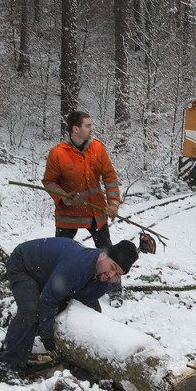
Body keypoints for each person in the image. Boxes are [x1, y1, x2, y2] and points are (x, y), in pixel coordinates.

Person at [0, 237, 139, 382]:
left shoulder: (104, 281)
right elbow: (48, 299)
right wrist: (47, 336)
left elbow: (80, 302)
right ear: (102, 255)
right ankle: (7, 366)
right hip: (24, 265)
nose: (111, 276)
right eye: (112, 267)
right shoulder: (77, 265)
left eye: (118, 274)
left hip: (53, 275)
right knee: (30, 311)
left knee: (92, 312)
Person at [43, 110, 125, 306]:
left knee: (107, 251)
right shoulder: (58, 153)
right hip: (67, 215)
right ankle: (53, 288)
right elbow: (49, 181)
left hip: (95, 212)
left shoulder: (97, 148)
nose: (91, 129)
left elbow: (110, 177)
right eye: (88, 125)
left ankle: (114, 289)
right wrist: (64, 197)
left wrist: (113, 202)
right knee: (60, 253)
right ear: (75, 128)